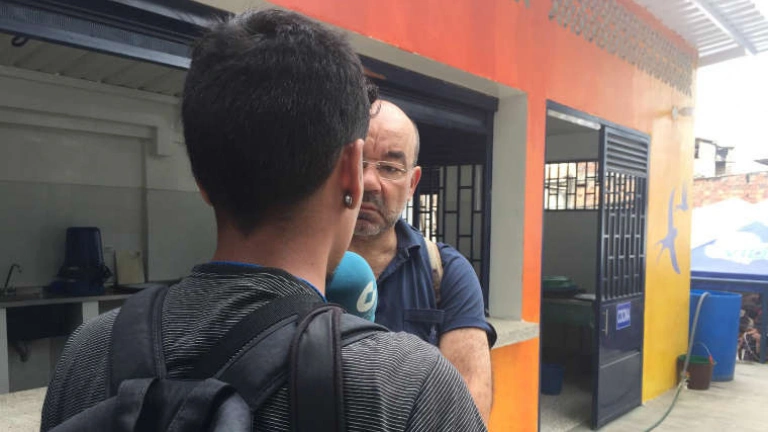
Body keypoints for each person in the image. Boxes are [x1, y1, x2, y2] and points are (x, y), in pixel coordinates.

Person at [40, 9, 486, 432]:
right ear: (351, 172)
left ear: (202, 178)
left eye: (391, 167)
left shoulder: (88, 351)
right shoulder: (408, 386)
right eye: (370, 165)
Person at [349, 99, 495, 422]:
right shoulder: (301, 264)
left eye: (390, 168)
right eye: (359, 162)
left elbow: (469, 410)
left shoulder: (447, 273)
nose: (369, 182)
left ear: (412, 183)